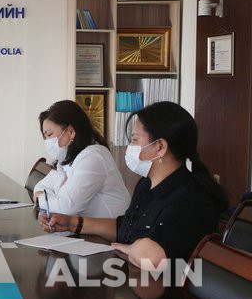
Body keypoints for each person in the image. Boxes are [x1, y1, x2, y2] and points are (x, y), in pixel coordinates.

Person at [41, 101, 229, 268]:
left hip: (166, 291)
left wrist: (132, 248)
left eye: (134, 140)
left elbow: (154, 258)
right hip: (137, 279)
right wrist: (72, 223)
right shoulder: (146, 184)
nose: (130, 147)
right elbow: (125, 226)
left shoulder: (189, 199)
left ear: (160, 147)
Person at [34, 100, 130, 217]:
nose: (47, 142)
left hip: (111, 227)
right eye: (45, 137)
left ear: (71, 132)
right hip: (83, 225)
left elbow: (67, 208)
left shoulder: (93, 157)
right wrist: (50, 199)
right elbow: (40, 187)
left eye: (49, 135)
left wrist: (40, 199)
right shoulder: (66, 159)